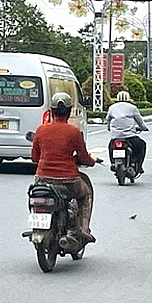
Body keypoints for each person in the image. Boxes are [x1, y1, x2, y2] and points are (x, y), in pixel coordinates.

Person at [31, 92, 101, 243]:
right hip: (69, 181)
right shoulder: (74, 132)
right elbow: (83, 157)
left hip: (42, 179)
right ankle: (83, 229)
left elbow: (35, 157)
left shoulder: (41, 130)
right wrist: (92, 160)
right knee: (86, 194)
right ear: (69, 111)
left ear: (52, 110)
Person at [105, 90, 149, 173]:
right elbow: (139, 121)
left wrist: (109, 128)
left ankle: (113, 163)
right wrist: (144, 128)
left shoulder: (112, 108)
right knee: (142, 145)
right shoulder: (132, 108)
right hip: (130, 137)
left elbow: (108, 120)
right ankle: (139, 166)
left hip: (116, 136)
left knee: (111, 147)